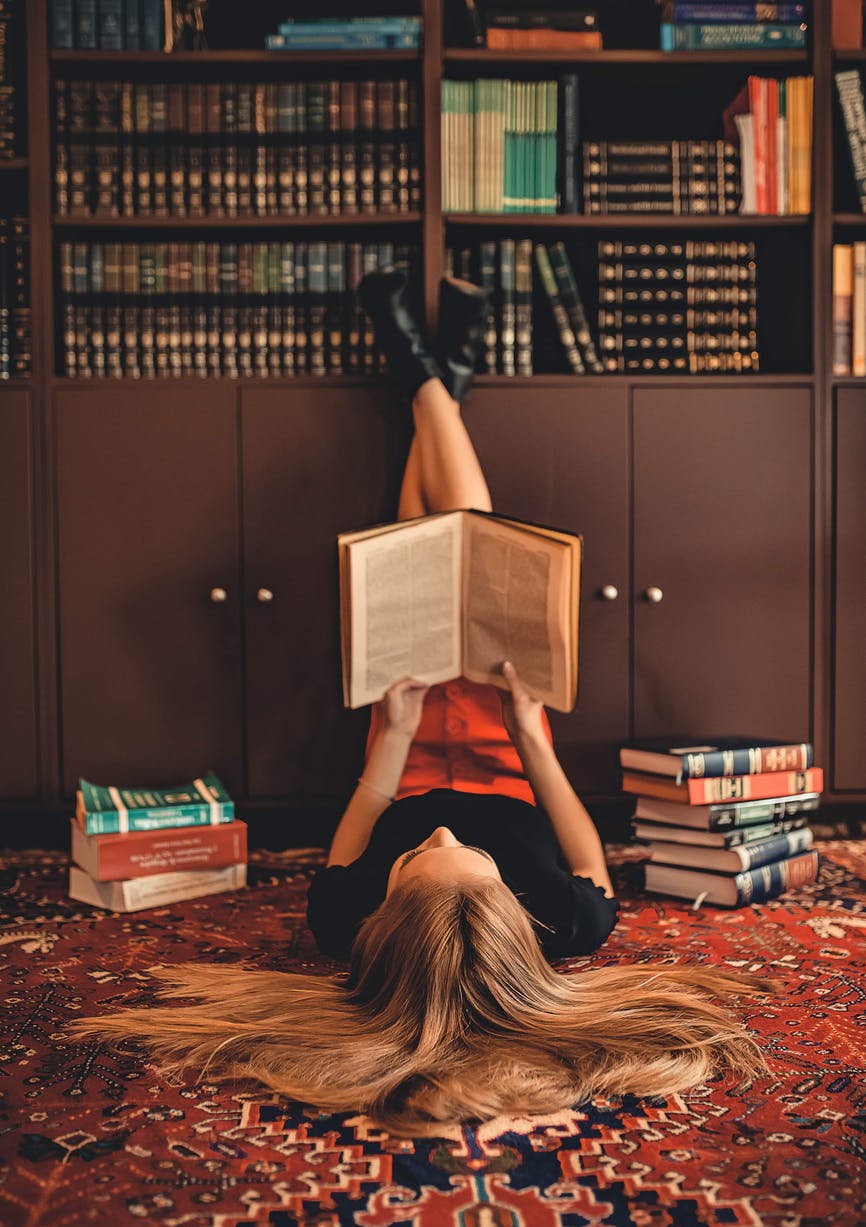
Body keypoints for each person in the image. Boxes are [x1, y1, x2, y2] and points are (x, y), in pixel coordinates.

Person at [72, 270, 774, 1137]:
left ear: (390, 915)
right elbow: (582, 840)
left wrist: (395, 738)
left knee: (415, 551)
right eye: (471, 857)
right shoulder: (573, 923)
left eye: (417, 862)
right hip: (506, 750)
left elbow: (367, 814)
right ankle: (430, 365)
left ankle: (436, 370)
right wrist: (528, 736)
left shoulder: (344, 925)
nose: (442, 835)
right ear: (515, 910)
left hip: (402, 749)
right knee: (468, 547)